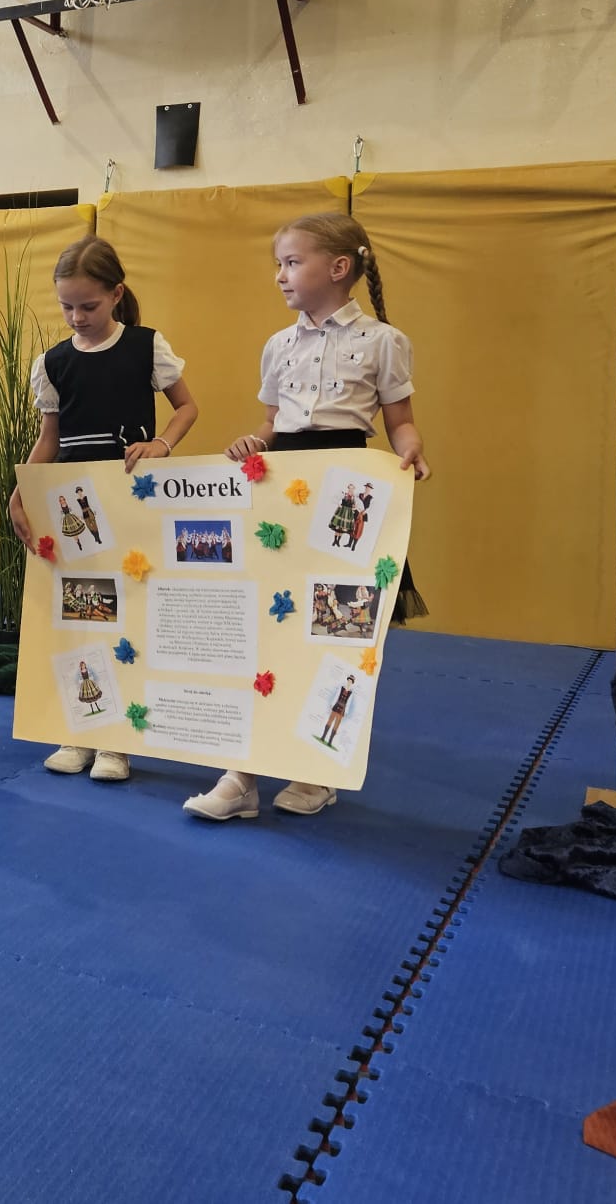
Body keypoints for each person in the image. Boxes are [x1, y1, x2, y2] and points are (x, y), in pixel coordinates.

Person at [185, 211, 431, 823]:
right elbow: (272, 424)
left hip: (344, 487)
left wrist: (409, 452)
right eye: (279, 263)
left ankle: (315, 770)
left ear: (338, 268)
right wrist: (254, 442)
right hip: (285, 494)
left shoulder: (383, 341)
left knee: (333, 634)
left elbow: (399, 421)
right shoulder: (279, 345)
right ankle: (242, 774)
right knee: (266, 630)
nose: (280, 275)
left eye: (292, 263)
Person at [9, 237, 196, 784]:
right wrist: (21, 490)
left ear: (116, 294)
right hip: (72, 502)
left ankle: (118, 741)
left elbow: (187, 407)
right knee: (80, 616)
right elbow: (50, 438)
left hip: (129, 497)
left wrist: (161, 444)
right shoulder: (53, 362)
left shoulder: (145, 346)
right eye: (67, 306)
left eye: (88, 306)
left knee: (126, 617)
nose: (77, 317)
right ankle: (81, 728)